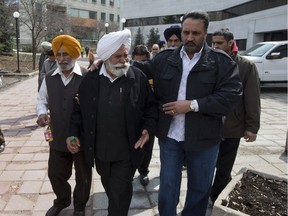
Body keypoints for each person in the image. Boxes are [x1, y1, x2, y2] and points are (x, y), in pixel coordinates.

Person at [150, 10, 242, 216]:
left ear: (206, 33)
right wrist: (103, 62)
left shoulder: (222, 62)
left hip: (205, 139)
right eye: (186, 32)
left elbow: (231, 97)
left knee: (199, 190)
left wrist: (192, 105)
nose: (189, 38)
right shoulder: (163, 59)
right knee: (167, 187)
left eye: (196, 33)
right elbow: (138, 74)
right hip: (170, 137)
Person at [67, 29, 157, 216]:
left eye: (125, 55)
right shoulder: (90, 80)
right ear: (106, 57)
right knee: (111, 188)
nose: (124, 60)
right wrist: (72, 134)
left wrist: (148, 128)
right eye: (118, 56)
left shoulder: (137, 77)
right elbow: (78, 111)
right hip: (100, 153)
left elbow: (151, 107)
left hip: (127, 151)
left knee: (119, 193)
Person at [36, 35, 92, 216]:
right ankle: (62, 200)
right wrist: (42, 113)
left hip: (81, 136)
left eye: (66, 54)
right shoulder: (50, 78)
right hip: (57, 134)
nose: (61, 59)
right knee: (55, 173)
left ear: (75, 54)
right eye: (58, 54)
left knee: (83, 175)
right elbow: (42, 99)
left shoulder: (87, 77)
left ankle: (80, 206)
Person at [207, 28, 261, 212]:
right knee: (205, 167)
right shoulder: (208, 61)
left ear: (231, 43)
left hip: (232, 128)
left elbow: (252, 98)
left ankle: (216, 201)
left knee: (223, 169)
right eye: (213, 43)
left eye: (219, 43)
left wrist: (252, 127)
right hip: (208, 125)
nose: (215, 47)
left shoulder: (246, 66)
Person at [131, 44, 155, 186]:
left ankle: (143, 171)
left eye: (143, 59)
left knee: (147, 147)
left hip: (149, 112)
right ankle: (130, 170)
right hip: (133, 114)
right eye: (137, 59)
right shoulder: (126, 68)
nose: (140, 63)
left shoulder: (152, 68)